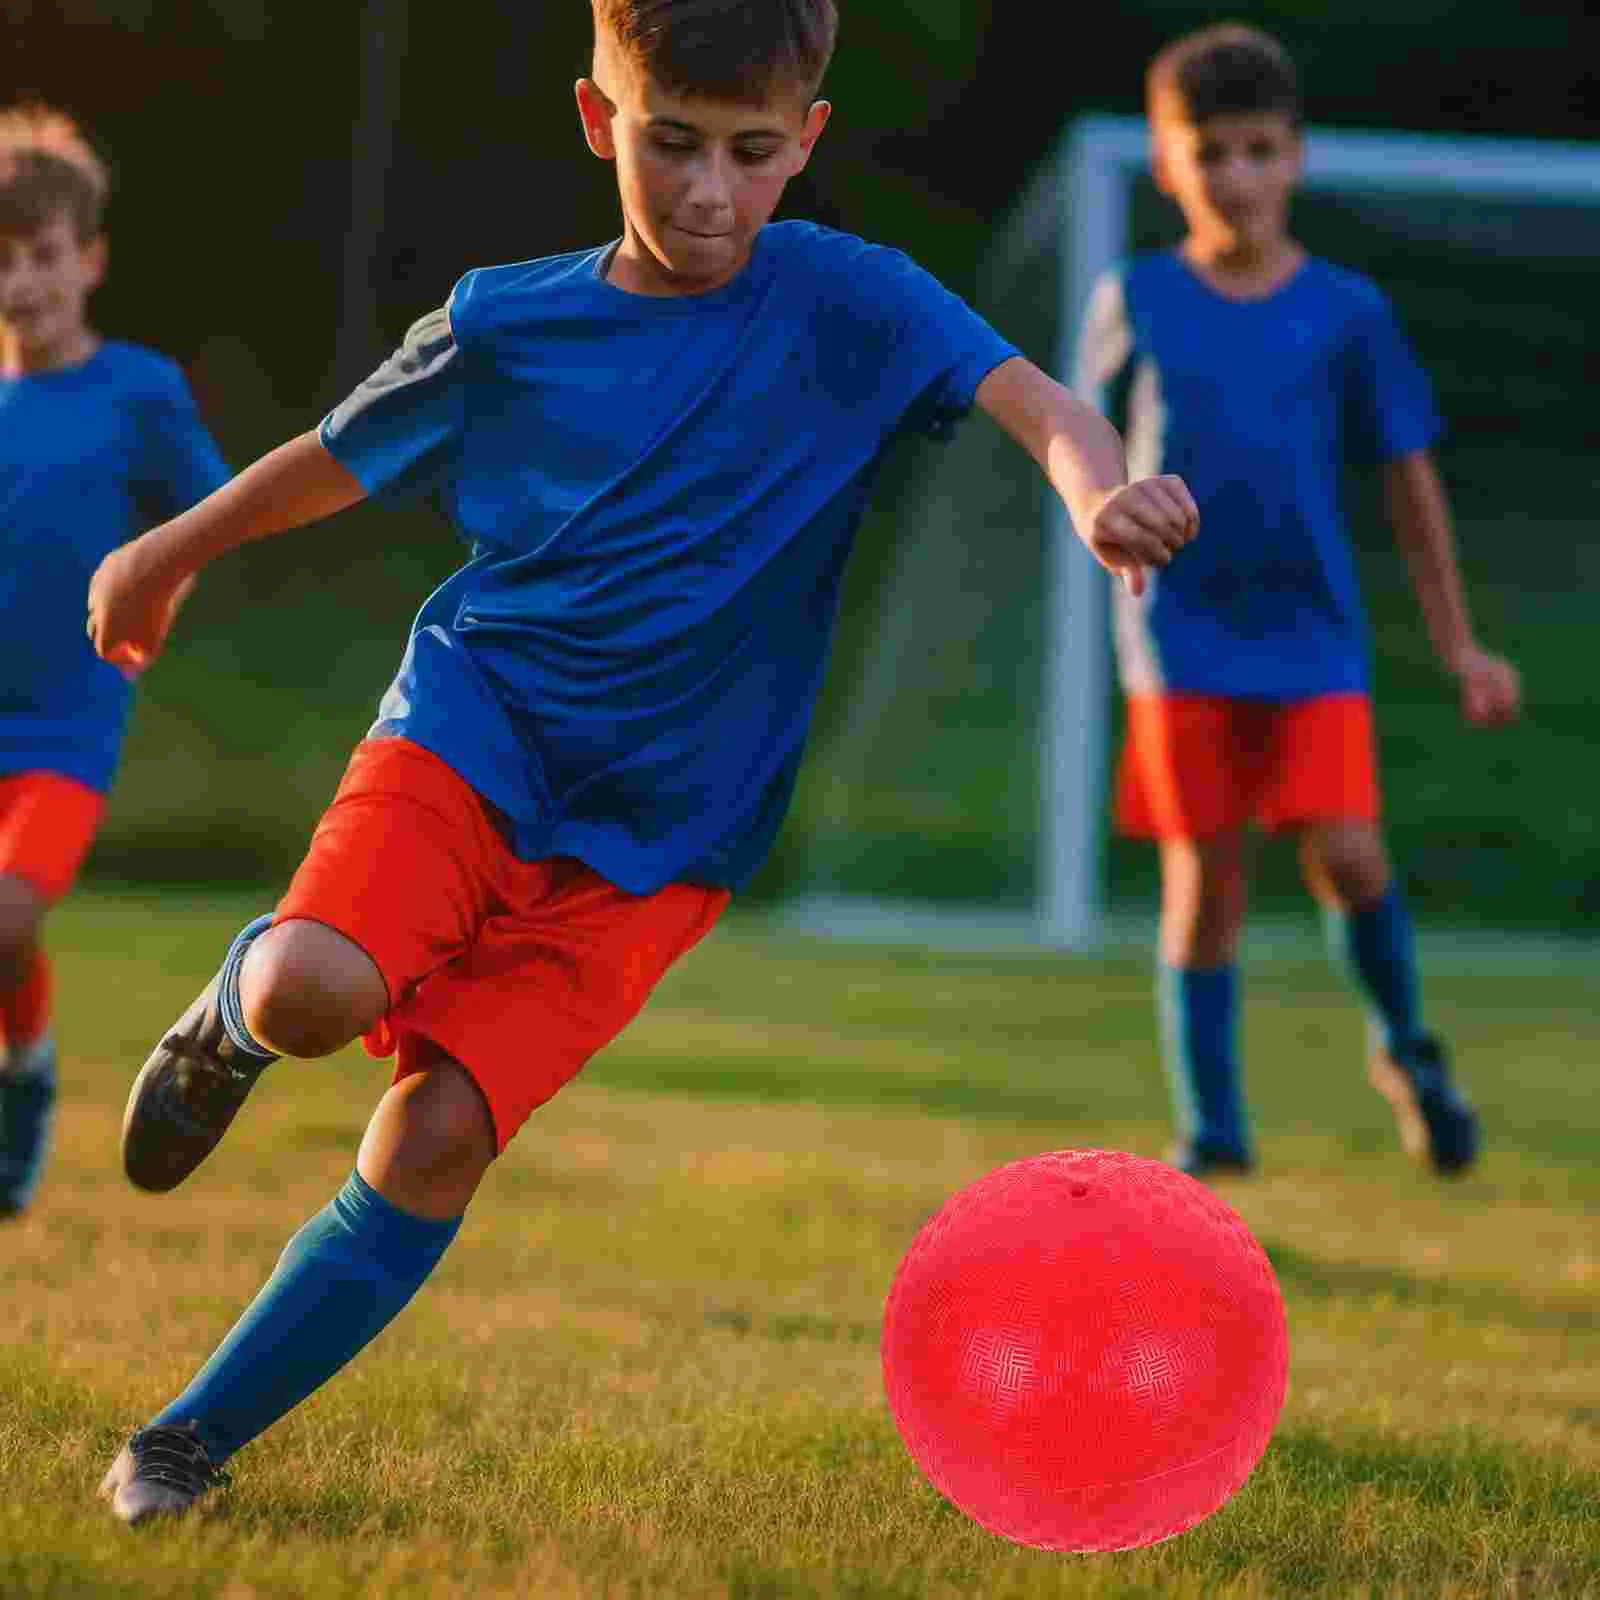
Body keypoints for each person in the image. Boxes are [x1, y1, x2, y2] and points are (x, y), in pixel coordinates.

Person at [86, 0, 1199, 1523]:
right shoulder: (508, 320)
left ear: (806, 141)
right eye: (671, 144)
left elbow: (1042, 402)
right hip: (474, 732)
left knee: (434, 1138)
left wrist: (1098, 493)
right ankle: (230, 1009)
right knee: (307, 991)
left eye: (751, 154)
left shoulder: (851, 303)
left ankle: (183, 1441)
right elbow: (337, 455)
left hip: (663, 839)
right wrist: (167, 551)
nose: (708, 193)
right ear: (602, 120)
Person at [1075, 23, 1521, 1183]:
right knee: (1205, 879)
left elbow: (1409, 479)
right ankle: (1213, 1136)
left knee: (1347, 853)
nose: (1236, 176)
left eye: (1258, 149)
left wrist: (1459, 643)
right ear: (1167, 164)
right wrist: (1106, 515)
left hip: (1311, 635)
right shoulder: (1134, 297)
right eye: (1209, 152)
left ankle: (1408, 1052)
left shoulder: (1348, 312)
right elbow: (1080, 440)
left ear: (1297, 158)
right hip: (1175, 636)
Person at [0, 105, 229, 1220]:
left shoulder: (135, 390)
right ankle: (25, 1056)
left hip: (64, 725)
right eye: (0, 261)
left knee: (3, 919)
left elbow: (213, 511)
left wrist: (159, 587)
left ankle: (26, 1078)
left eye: (41, 257)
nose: (21, 282)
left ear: (87, 260)